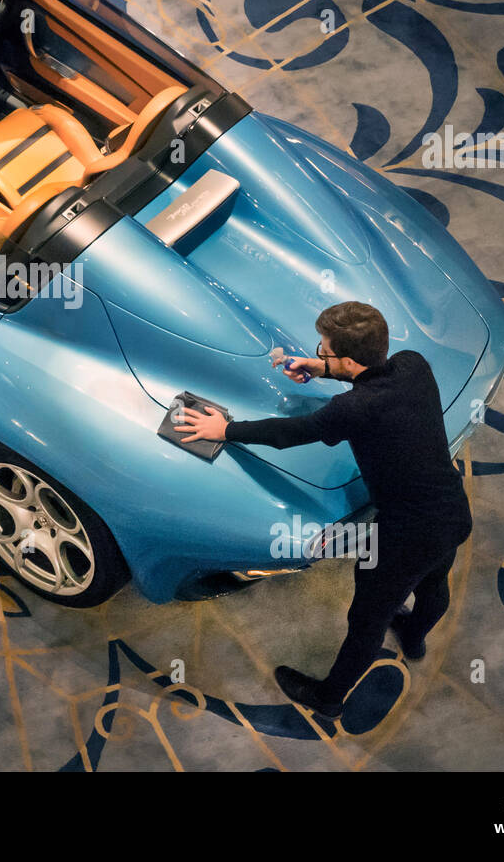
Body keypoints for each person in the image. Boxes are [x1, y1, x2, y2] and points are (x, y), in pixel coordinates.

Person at [175, 301, 472, 720]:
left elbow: (292, 433)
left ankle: (329, 697)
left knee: (367, 619)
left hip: (404, 536)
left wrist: (224, 430)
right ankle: (416, 637)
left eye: (325, 349)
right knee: (435, 580)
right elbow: (366, 379)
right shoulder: (412, 365)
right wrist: (322, 367)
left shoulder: (353, 408)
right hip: (453, 511)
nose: (319, 352)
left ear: (349, 358)